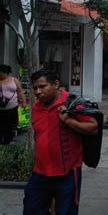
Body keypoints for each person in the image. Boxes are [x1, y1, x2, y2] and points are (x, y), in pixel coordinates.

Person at [24, 69, 98, 214]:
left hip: (67, 173)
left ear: (56, 84)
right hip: (40, 172)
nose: (38, 92)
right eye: (35, 88)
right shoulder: (36, 107)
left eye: (42, 86)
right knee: (31, 209)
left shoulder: (72, 103)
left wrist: (69, 121)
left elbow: (93, 127)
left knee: (66, 211)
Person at [0, 64, 26, 144]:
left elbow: (20, 91)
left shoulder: (14, 80)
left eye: (1, 72)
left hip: (12, 107)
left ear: (6, 72)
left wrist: (24, 102)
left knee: (11, 124)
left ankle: (9, 139)